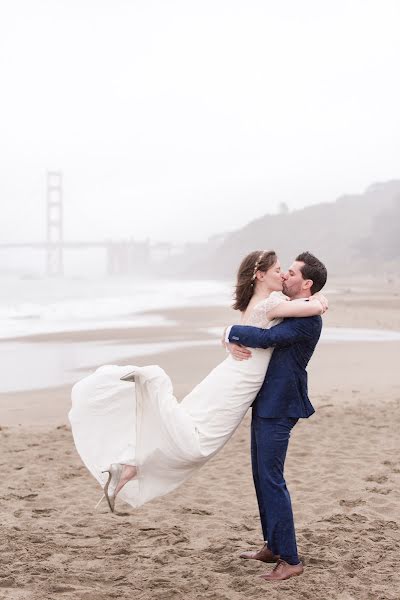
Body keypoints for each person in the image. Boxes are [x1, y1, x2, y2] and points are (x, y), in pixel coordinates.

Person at [69, 250, 327, 523]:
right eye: (277, 270)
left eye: (286, 271)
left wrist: (228, 334)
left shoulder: (262, 300)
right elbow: (306, 311)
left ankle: (130, 464)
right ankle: (148, 391)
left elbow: (263, 324)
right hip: (238, 379)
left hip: (232, 373)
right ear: (260, 275)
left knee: (186, 424)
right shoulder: (271, 303)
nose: (282, 274)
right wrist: (321, 300)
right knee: (198, 443)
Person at [224, 251, 327, 581]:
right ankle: (273, 545)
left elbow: (266, 338)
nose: (285, 277)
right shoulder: (293, 308)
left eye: (292, 273)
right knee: (260, 475)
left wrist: (230, 331)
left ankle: (291, 559)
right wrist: (228, 338)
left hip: (281, 405)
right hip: (266, 401)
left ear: (306, 283)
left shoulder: (308, 319)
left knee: (272, 479)